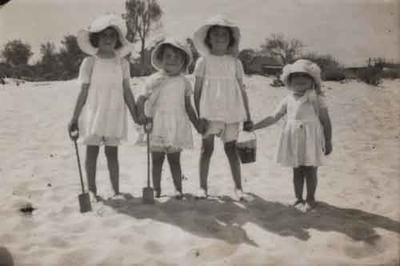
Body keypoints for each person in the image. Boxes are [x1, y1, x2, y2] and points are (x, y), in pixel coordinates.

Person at [68, 14, 138, 201]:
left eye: (112, 35)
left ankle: (116, 190)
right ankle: (92, 190)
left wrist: (136, 115)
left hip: (114, 112)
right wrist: (74, 118)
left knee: (112, 153)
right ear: (96, 38)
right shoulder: (90, 62)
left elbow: (127, 91)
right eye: (103, 35)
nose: (108, 38)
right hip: (94, 111)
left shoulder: (122, 63)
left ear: (117, 40)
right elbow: (83, 91)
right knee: (92, 151)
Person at [252, 59, 332, 212]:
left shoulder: (317, 98)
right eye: (296, 76)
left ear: (312, 80)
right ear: (289, 81)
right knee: (297, 169)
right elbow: (273, 117)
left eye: (305, 76)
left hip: (311, 139)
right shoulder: (288, 99)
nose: (300, 79)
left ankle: (310, 198)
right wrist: (255, 126)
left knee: (310, 169)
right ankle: (298, 197)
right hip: (294, 139)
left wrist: (328, 141)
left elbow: (326, 121)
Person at [193, 15, 253, 200]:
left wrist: (248, 116)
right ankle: (202, 187)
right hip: (209, 111)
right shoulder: (203, 61)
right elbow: (197, 91)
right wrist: (199, 116)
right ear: (208, 39)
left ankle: (238, 187)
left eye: (224, 35)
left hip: (232, 111)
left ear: (230, 40)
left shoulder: (235, 63)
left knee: (231, 149)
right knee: (207, 149)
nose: (220, 38)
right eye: (216, 34)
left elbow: (242, 91)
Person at [136, 38, 200, 199]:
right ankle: (157, 189)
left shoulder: (184, 82)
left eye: (177, 58)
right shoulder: (153, 79)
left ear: (183, 63)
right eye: (168, 56)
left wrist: (197, 124)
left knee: (174, 160)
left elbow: (188, 106)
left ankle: (178, 189)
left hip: (176, 125)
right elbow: (141, 99)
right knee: (156, 160)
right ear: (161, 59)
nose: (172, 60)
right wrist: (142, 115)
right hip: (156, 124)